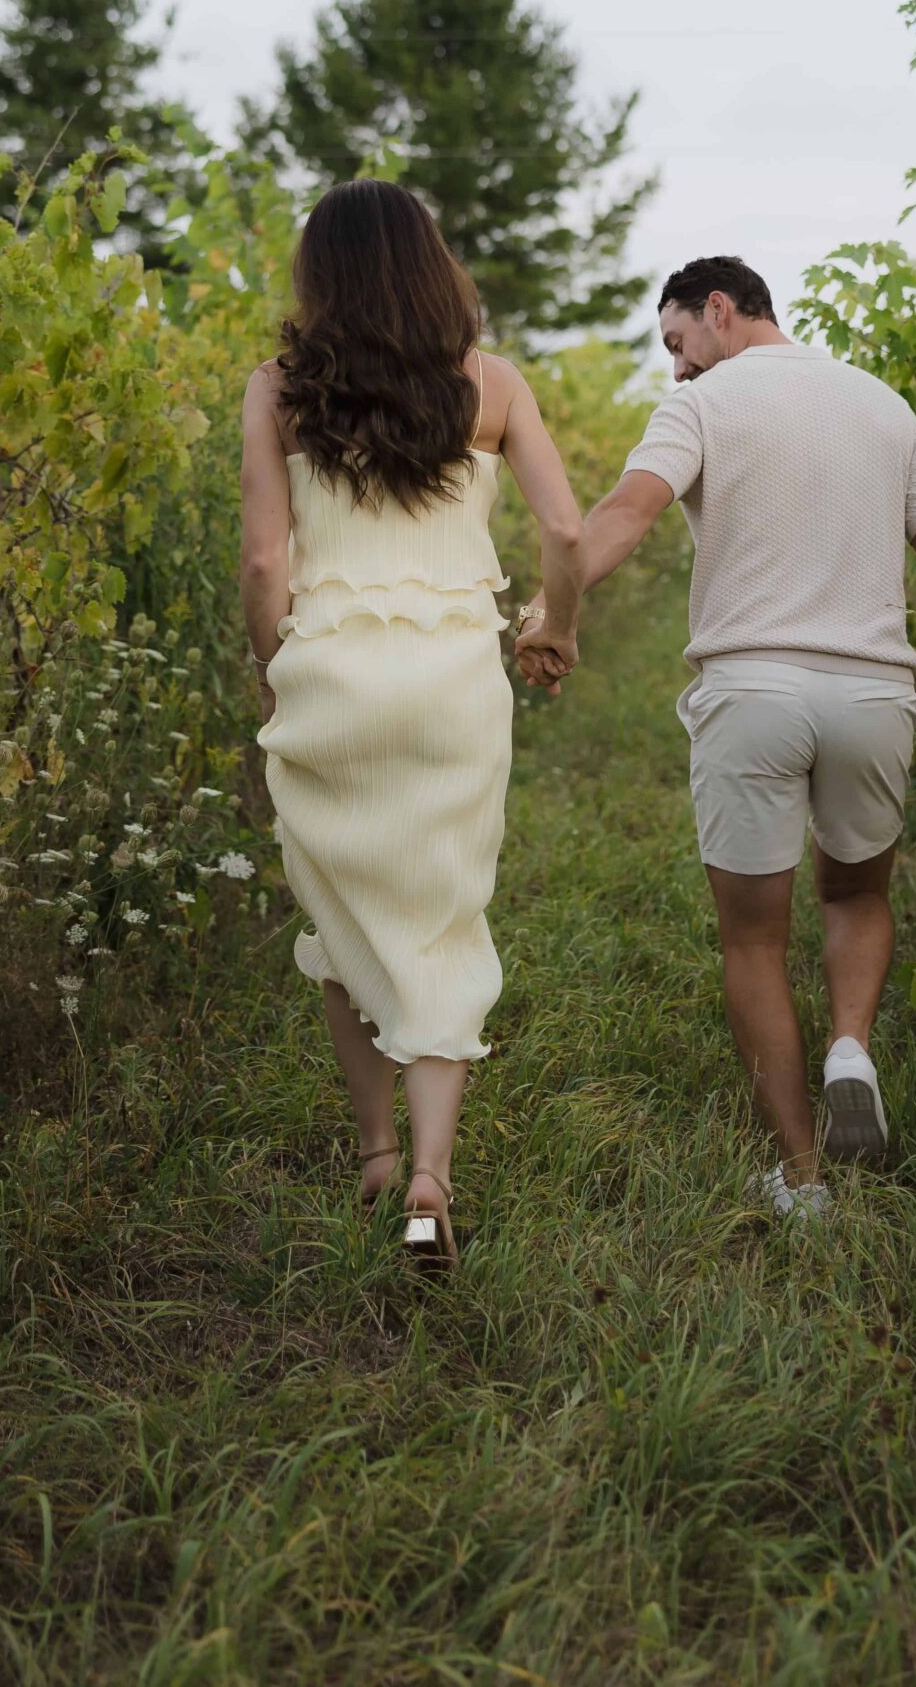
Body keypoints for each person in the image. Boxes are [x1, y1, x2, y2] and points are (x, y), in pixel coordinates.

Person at [517, 254, 916, 1219]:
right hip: (873, 695)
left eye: (675, 344)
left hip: (751, 690)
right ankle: (850, 1049)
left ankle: (801, 1177)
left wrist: (557, 609)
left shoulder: (706, 408)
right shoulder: (882, 407)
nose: (675, 369)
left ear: (718, 309)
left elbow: (622, 514)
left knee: (752, 936)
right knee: (857, 892)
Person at [241, 180, 583, 1270]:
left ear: (321, 276)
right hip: (450, 686)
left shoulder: (280, 390)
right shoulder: (494, 389)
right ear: (433, 267)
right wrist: (554, 628)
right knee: (440, 915)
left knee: (345, 913)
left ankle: (377, 1153)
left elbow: (264, 561)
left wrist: (274, 673)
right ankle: (435, 1178)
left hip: (331, 678)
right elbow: (566, 532)